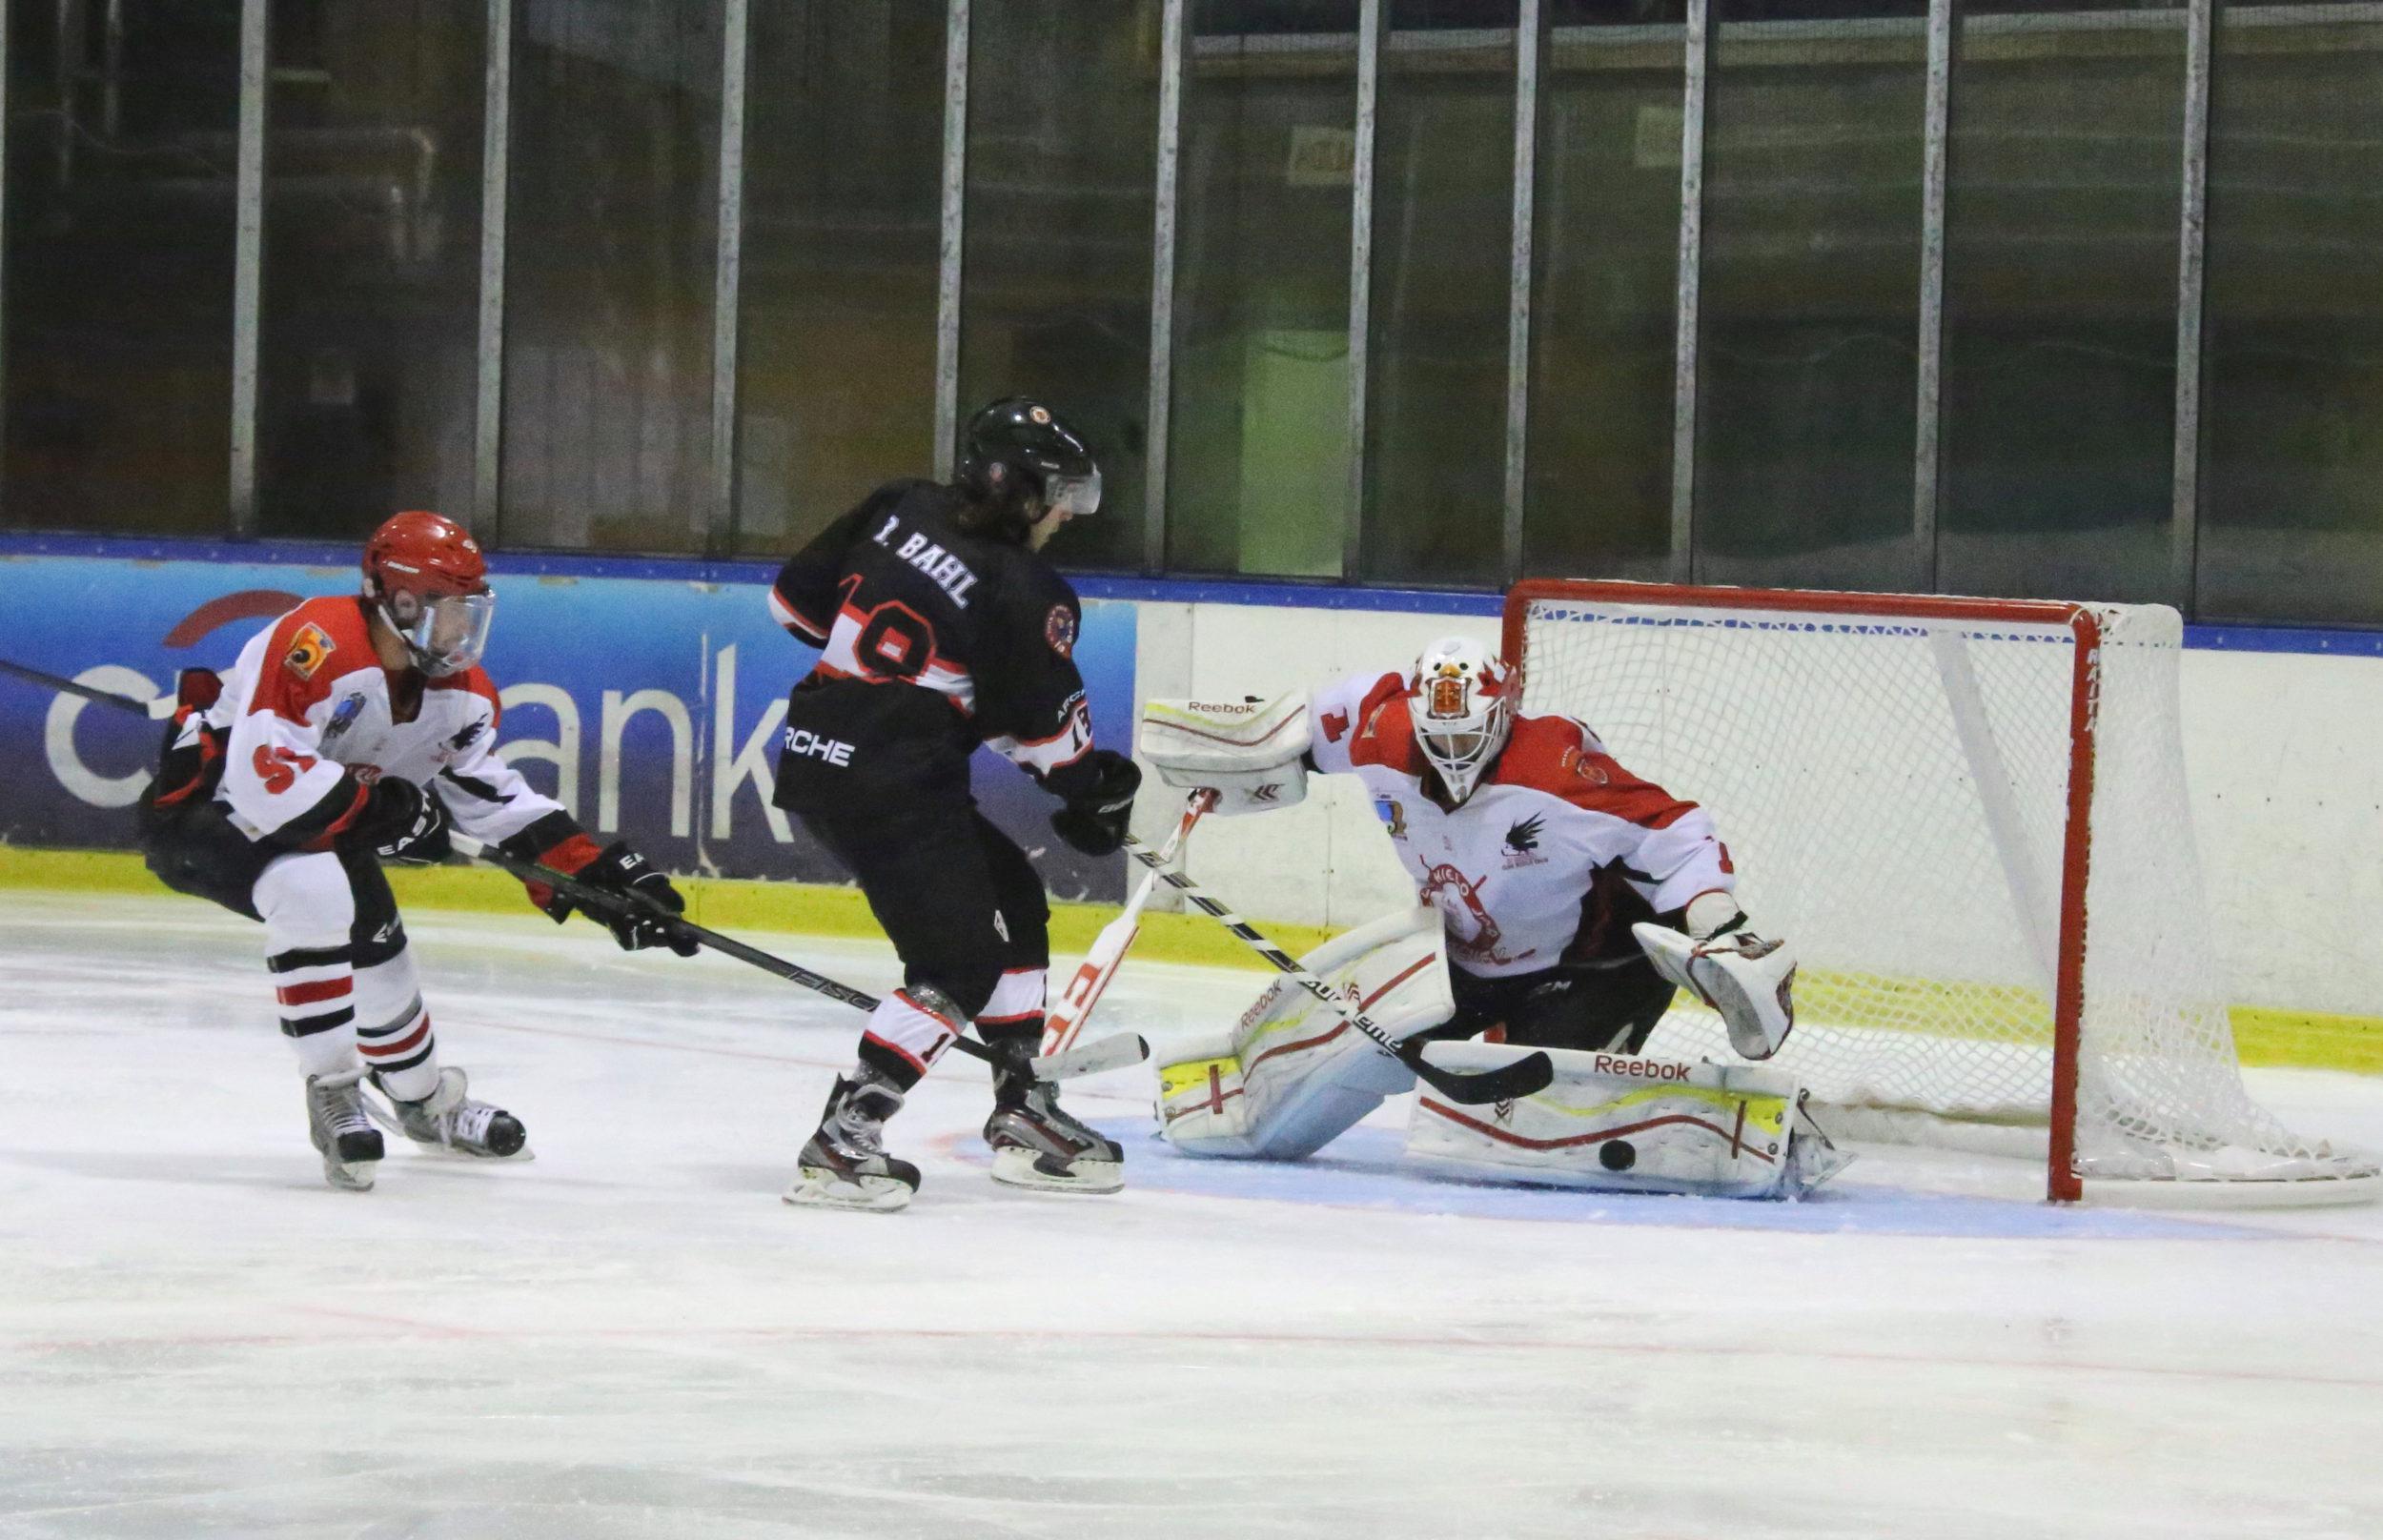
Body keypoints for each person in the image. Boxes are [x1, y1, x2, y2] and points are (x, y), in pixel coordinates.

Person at [137, 510, 693, 1192]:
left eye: (471, 611)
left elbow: (493, 802)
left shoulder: (460, 696)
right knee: (314, 890)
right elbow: (262, 780)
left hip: (318, 826)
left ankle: (424, 1103)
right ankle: (334, 1092)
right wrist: (387, 815)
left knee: (383, 955)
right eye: (451, 610)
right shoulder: (315, 641)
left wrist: (599, 881)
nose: (464, 630)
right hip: (208, 814)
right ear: (400, 601)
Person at [767, 398, 1139, 1211]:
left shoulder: (901, 502)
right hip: (892, 780)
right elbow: (1046, 742)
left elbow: (795, 609)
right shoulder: (1026, 586)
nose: (1065, 517)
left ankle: (1021, 1105)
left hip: (819, 752)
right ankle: (844, 1139)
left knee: (1012, 893)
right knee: (959, 963)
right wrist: (1094, 794)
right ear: (1031, 494)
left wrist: (931, 682)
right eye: (1061, 498)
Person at [1306, 636, 1793, 1061]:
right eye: (1440, 737)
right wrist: (1249, 756)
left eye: (1469, 733)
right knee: (1353, 1045)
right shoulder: (1382, 737)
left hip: (1594, 966)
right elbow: (1323, 719)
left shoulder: (1553, 774)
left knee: (1536, 1100)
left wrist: (1722, 923)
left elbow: (1674, 831)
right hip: (1463, 964)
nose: (1455, 750)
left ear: (1505, 711)